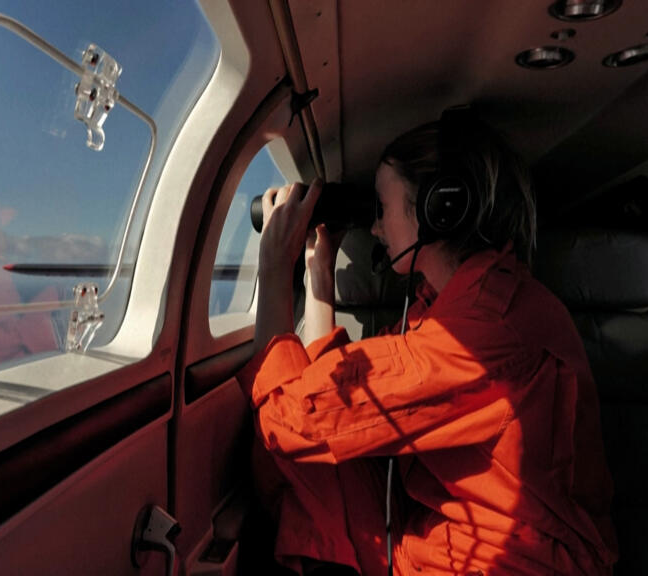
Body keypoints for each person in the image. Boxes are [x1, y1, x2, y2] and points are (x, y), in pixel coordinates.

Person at [236, 112, 618, 575]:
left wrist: (275, 267)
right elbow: (341, 402)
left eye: (382, 209)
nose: (375, 229)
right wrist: (319, 270)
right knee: (317, 461)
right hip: (453, 540)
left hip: (512, 563)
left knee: (289, 441)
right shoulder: (455, 307)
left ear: (442, 209)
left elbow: (291, 419)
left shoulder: (485, 330)